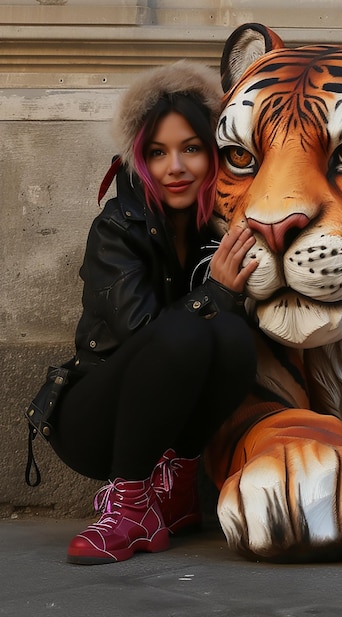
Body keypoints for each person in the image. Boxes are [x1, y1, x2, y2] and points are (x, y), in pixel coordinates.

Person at [47, 61, 258, 565]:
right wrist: (216, 293)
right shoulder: (117, 228)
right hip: (96, 420)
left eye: (191, 148)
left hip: (171, 423)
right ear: (140, 160)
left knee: (235, 339)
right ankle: (128, 506)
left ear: (215, 154)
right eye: (158, 153)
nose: (175, 168)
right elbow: (147, 334)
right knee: (192, 330)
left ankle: (178, 491)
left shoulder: (222, 230)